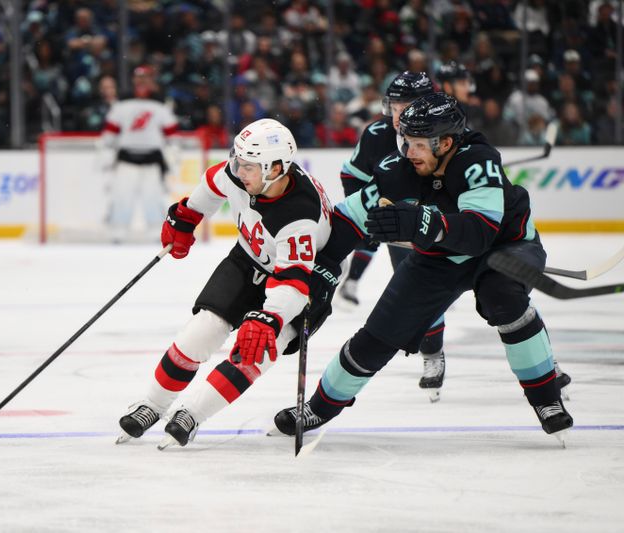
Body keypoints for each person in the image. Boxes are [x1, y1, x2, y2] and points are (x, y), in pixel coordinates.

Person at [272, 93, 574, 444]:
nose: (408, 152)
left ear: (446, 143)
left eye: (417, 144)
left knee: (502, 297)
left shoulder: (478, 160)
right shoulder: (398, 170)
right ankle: (319, 408)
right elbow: (346, 220)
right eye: (405, 142)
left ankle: (546, 400)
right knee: (379, 334)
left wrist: (422, 223)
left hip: (505, 247)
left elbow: (479, 233)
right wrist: (321, 271)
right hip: (439, 257)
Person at [117, 118, 336, 449]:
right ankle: (152, 404)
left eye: (249, 166)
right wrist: (187, 215)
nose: (238, 170)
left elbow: (292, 278)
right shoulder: (241, 173)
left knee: (255, 352)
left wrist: (271, 316)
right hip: (248, 258)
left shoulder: (299, 215)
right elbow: (211, 184)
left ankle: (191, 414)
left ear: (276, 168)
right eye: (238, 161)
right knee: (202, 329)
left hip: (305, 280)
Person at [337, 71, 449, 400]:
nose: (399, 113)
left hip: (440, 225)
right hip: (402, 227)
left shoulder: (444, 134)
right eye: (395, 106)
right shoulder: (376, 134)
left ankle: (545, 366)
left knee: (495, 294)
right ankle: (432, 355)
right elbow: (351, 175)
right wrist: (370, 212)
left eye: (408, 106)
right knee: (419, 291)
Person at [103, 66, 180, 242]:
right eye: (139, 78)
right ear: (133, 80)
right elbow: (109, 135)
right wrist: (107, 154)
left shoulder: (161, 105)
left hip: (152, 160)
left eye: (145, 78)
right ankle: (118, 230)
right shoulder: (121, 105)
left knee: (153, 197)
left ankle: (155, 231)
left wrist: (173, 156)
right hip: (126, 159)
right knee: (122, 196)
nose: (142, 82)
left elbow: (172, 136)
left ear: (152, 81)